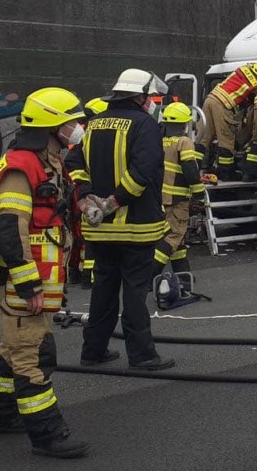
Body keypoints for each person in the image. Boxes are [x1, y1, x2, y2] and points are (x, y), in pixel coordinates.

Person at [0, 87, 89, 458]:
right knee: (32, 355)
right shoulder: (22, 167)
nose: (78, 127)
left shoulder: (47, 161)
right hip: (24, 278)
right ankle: (48, 435)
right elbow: (9, 228)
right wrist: (28, 285)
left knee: (12, 348)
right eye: (71, 122)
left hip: (37, 275)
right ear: (52, 126)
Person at [69, 68, 174, 371]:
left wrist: (88, 197)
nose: (152, 102)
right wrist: (114, 202)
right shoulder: (146, 125)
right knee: (135, 293)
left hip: (99, 228)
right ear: (140, 96)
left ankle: (93, 352)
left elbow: (74, 163)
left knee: (103, 290)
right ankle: (142, 356)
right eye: (150, 97)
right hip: (136, 228)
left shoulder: (94, 124)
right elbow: (143, 172)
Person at [198, 60, 257, 179]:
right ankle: (226, 173)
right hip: (223, 105)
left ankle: (195, 167)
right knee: (226, 140)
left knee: (204, 138)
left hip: (210, 99)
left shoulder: (243, 69)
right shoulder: (256, 84)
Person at [154, 102, 204, 282]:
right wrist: (199, 193)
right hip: (177, 199)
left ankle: (184, 276)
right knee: (173, 237)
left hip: (160, 198)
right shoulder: (184, 142)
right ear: (185, 124)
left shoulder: (159, 142)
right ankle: (149, 275)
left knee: (177, 238)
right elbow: (190, 169)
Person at [65, 97, 108, 289]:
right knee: (87, 236)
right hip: (85, 193)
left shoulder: (86, 137)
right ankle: (87, 277)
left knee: (83, 235)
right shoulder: (90, 138)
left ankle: (80, 274)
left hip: (81, 192)